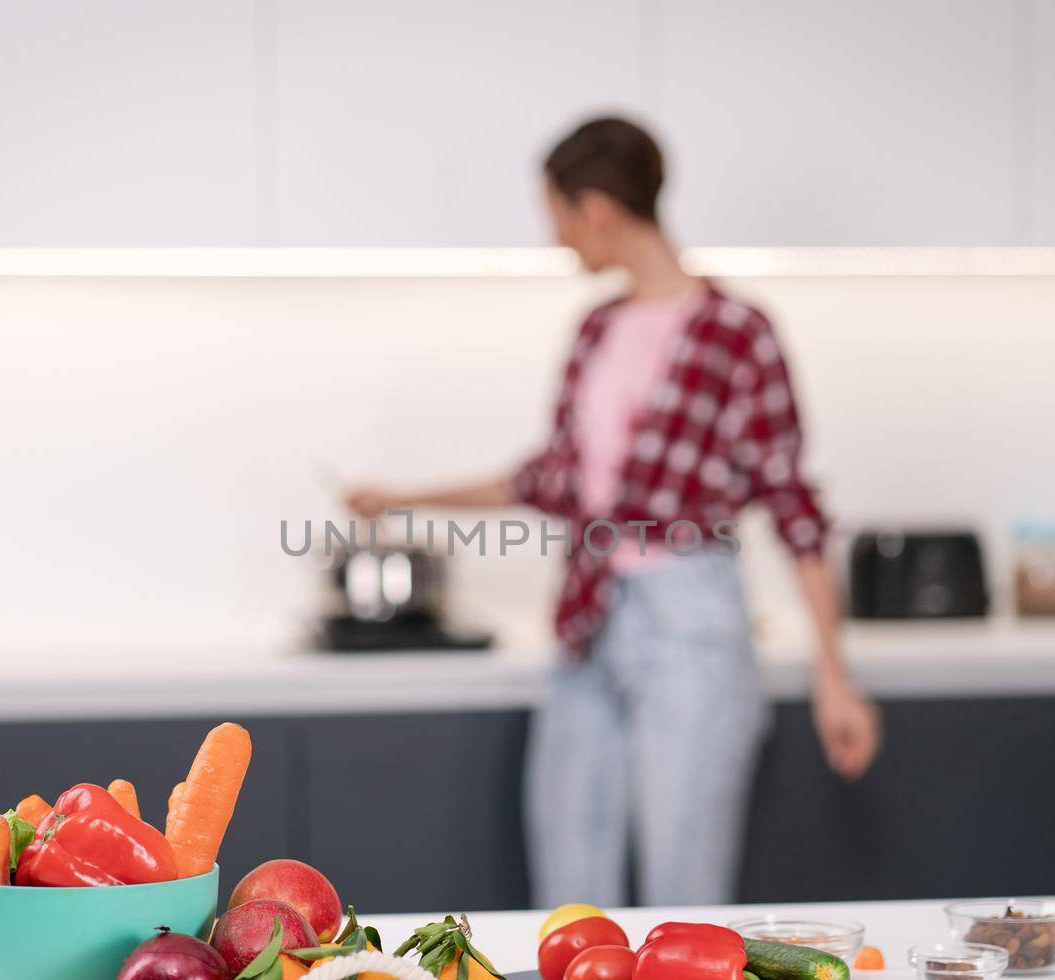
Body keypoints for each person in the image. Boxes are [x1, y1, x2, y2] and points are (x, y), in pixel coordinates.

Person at [345, 116, 880, 907]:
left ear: (595, 209)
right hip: (588, 620)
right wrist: (402, 497)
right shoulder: (595, 329)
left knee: (682, 892)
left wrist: (834, 674)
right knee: (569, 899)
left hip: (691, 626)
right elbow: (551, 476)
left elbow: (793, 503)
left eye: (557, 215)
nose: (556, 237)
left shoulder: (738, 333)